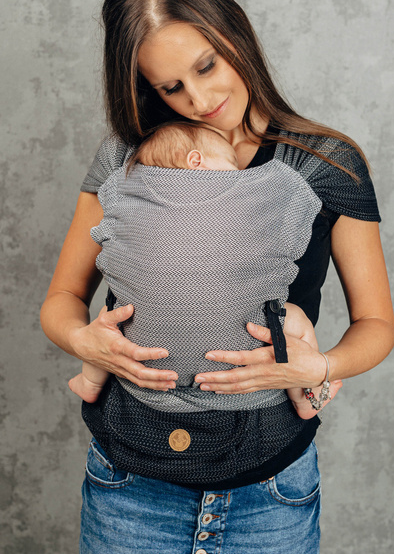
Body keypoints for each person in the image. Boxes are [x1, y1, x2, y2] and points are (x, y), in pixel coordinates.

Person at [40, 0, 394, 554]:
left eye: (206, 66)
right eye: (170, 87)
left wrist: (318, 367)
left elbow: (377, 327)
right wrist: (84, 342)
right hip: (131, 492)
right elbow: (61, 301)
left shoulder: (325, 165)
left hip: (271, 493)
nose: (199, 98)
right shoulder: (132, 162)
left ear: (235, 33)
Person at [67, 120, 342, 420]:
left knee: (107, 319)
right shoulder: (267, 192)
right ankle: (306, 396)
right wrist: (321, 367)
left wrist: (81, 342)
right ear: (196, 161)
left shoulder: (124, 188)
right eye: (231, 168)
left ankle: (90, 382)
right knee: (297, 321)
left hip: (140, 344)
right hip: (246, 336)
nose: (237, 178)